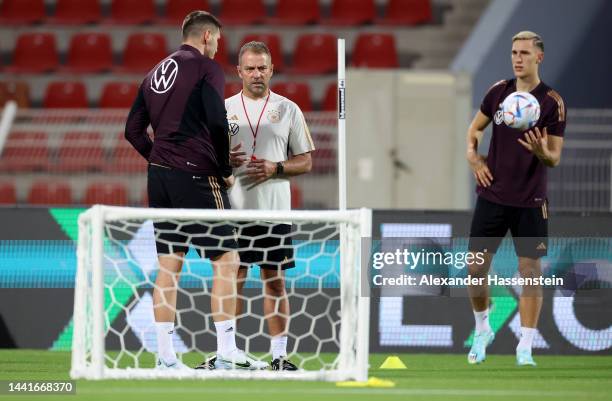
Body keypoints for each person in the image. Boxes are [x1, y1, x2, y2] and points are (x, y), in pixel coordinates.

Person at [125, 11, 266, 371]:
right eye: (217, 39)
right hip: (195, 176)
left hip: (159, 177)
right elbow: (218, 122)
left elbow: (133, 131)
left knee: (168, 267)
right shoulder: (206, 68)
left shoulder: (155, 71)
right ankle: (226, 352)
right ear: (205, 35)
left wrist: (161, 158)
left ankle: (165, 359)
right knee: (228, 260)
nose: (219, 46)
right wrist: (222, 170)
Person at [198, 41, 315, 371]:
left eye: (262, 67)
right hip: (232, 209)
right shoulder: (222, 110)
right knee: (231, 278)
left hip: (273, 210)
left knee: (274, 280)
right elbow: (203, 158)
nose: (256, 74)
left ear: (272, 69)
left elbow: (305, 161)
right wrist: (222, 159)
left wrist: (274, 167)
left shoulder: (288, 109)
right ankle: (227, 353)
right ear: (239, 71)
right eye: (250, 68)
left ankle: (279, 356)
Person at [465, 31, 566, 367]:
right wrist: (474, 157)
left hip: (531, 200)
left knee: (530, 272)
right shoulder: (498, 92)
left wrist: (542, 152)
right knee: (475, 268)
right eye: (513, 52)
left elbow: (555, 158)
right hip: (492, 196)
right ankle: (483, 328)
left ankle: (526, 345)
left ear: (539, 57)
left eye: (524, 52)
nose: (517, 58)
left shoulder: (552, 102)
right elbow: (474, 130)